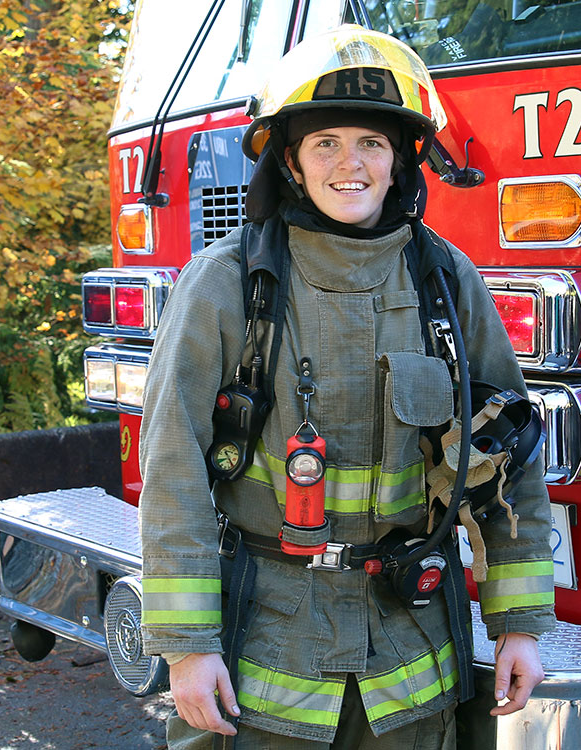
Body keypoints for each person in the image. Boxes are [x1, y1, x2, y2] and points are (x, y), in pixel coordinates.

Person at [138, 24, 557, 750]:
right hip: (264, 659)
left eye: (371, 143)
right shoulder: (226, 283)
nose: (349, 163)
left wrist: (518, 626)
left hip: (412, 663)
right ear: (292, 164)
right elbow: (172, 466)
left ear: (401, 161)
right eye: (325, 142)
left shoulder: (447, 282)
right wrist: (187, 647)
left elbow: (506, 460)